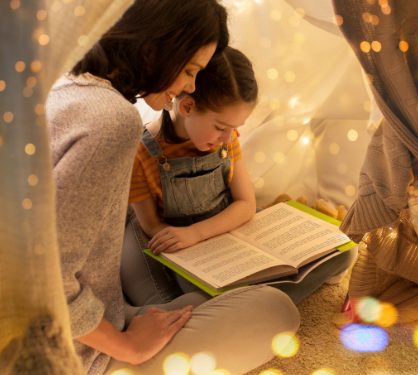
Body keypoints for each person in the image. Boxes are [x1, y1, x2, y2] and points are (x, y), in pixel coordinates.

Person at [47, 2, 299, 375]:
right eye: (189, 71)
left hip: (88, 320)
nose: (190, 87)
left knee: (196, 301)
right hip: (73, 356)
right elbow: (46, 279)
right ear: (153, 50)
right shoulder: (112, 121)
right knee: (277, 311)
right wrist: (128, 346)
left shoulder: (66, 85)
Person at [118, 46, 357, 371]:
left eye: (235, 127)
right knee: (198, 301)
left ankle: (253, 297)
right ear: (187, 105)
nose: (230, 136)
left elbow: (245, 205)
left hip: (224, 234)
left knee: (344, 251)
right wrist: (189, 240)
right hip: (178, 249)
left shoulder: (225, 139)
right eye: (220, 127)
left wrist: (199, 233)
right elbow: (150, 226)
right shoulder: (141, 151)